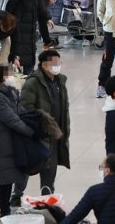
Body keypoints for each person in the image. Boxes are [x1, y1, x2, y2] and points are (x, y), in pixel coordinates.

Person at [14, 50, 70, 198]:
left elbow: (64, 108)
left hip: (55, 134)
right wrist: (43, 124)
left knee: (49, 171)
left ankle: (46, 200)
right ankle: (16, 195)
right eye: (55, 63)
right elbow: (25, 108)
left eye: (59, 62)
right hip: (38, 134)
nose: (58, 66)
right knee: (28, 168)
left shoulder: (61, 82)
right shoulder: (32, 83)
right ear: (44, 65)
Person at [0, 64, 36, 217]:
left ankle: (15, 200)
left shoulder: (11, 92)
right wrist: (30, 131)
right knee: (5, 176)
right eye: (10, 75)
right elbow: (12, 119)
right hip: (2, 141)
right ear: (2, 78)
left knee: (17, 171)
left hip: (14, 138)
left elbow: (20, 111)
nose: (14, 77)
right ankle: (4, 211)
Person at [6, 0, 51, 73]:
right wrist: (9, 23)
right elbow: (10, 6)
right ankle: (10, 73)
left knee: (30, 48)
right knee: (17, 48)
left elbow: (41, 6)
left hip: (31, 25)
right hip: (18, 24)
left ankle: (28, 72)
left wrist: (48, 18)